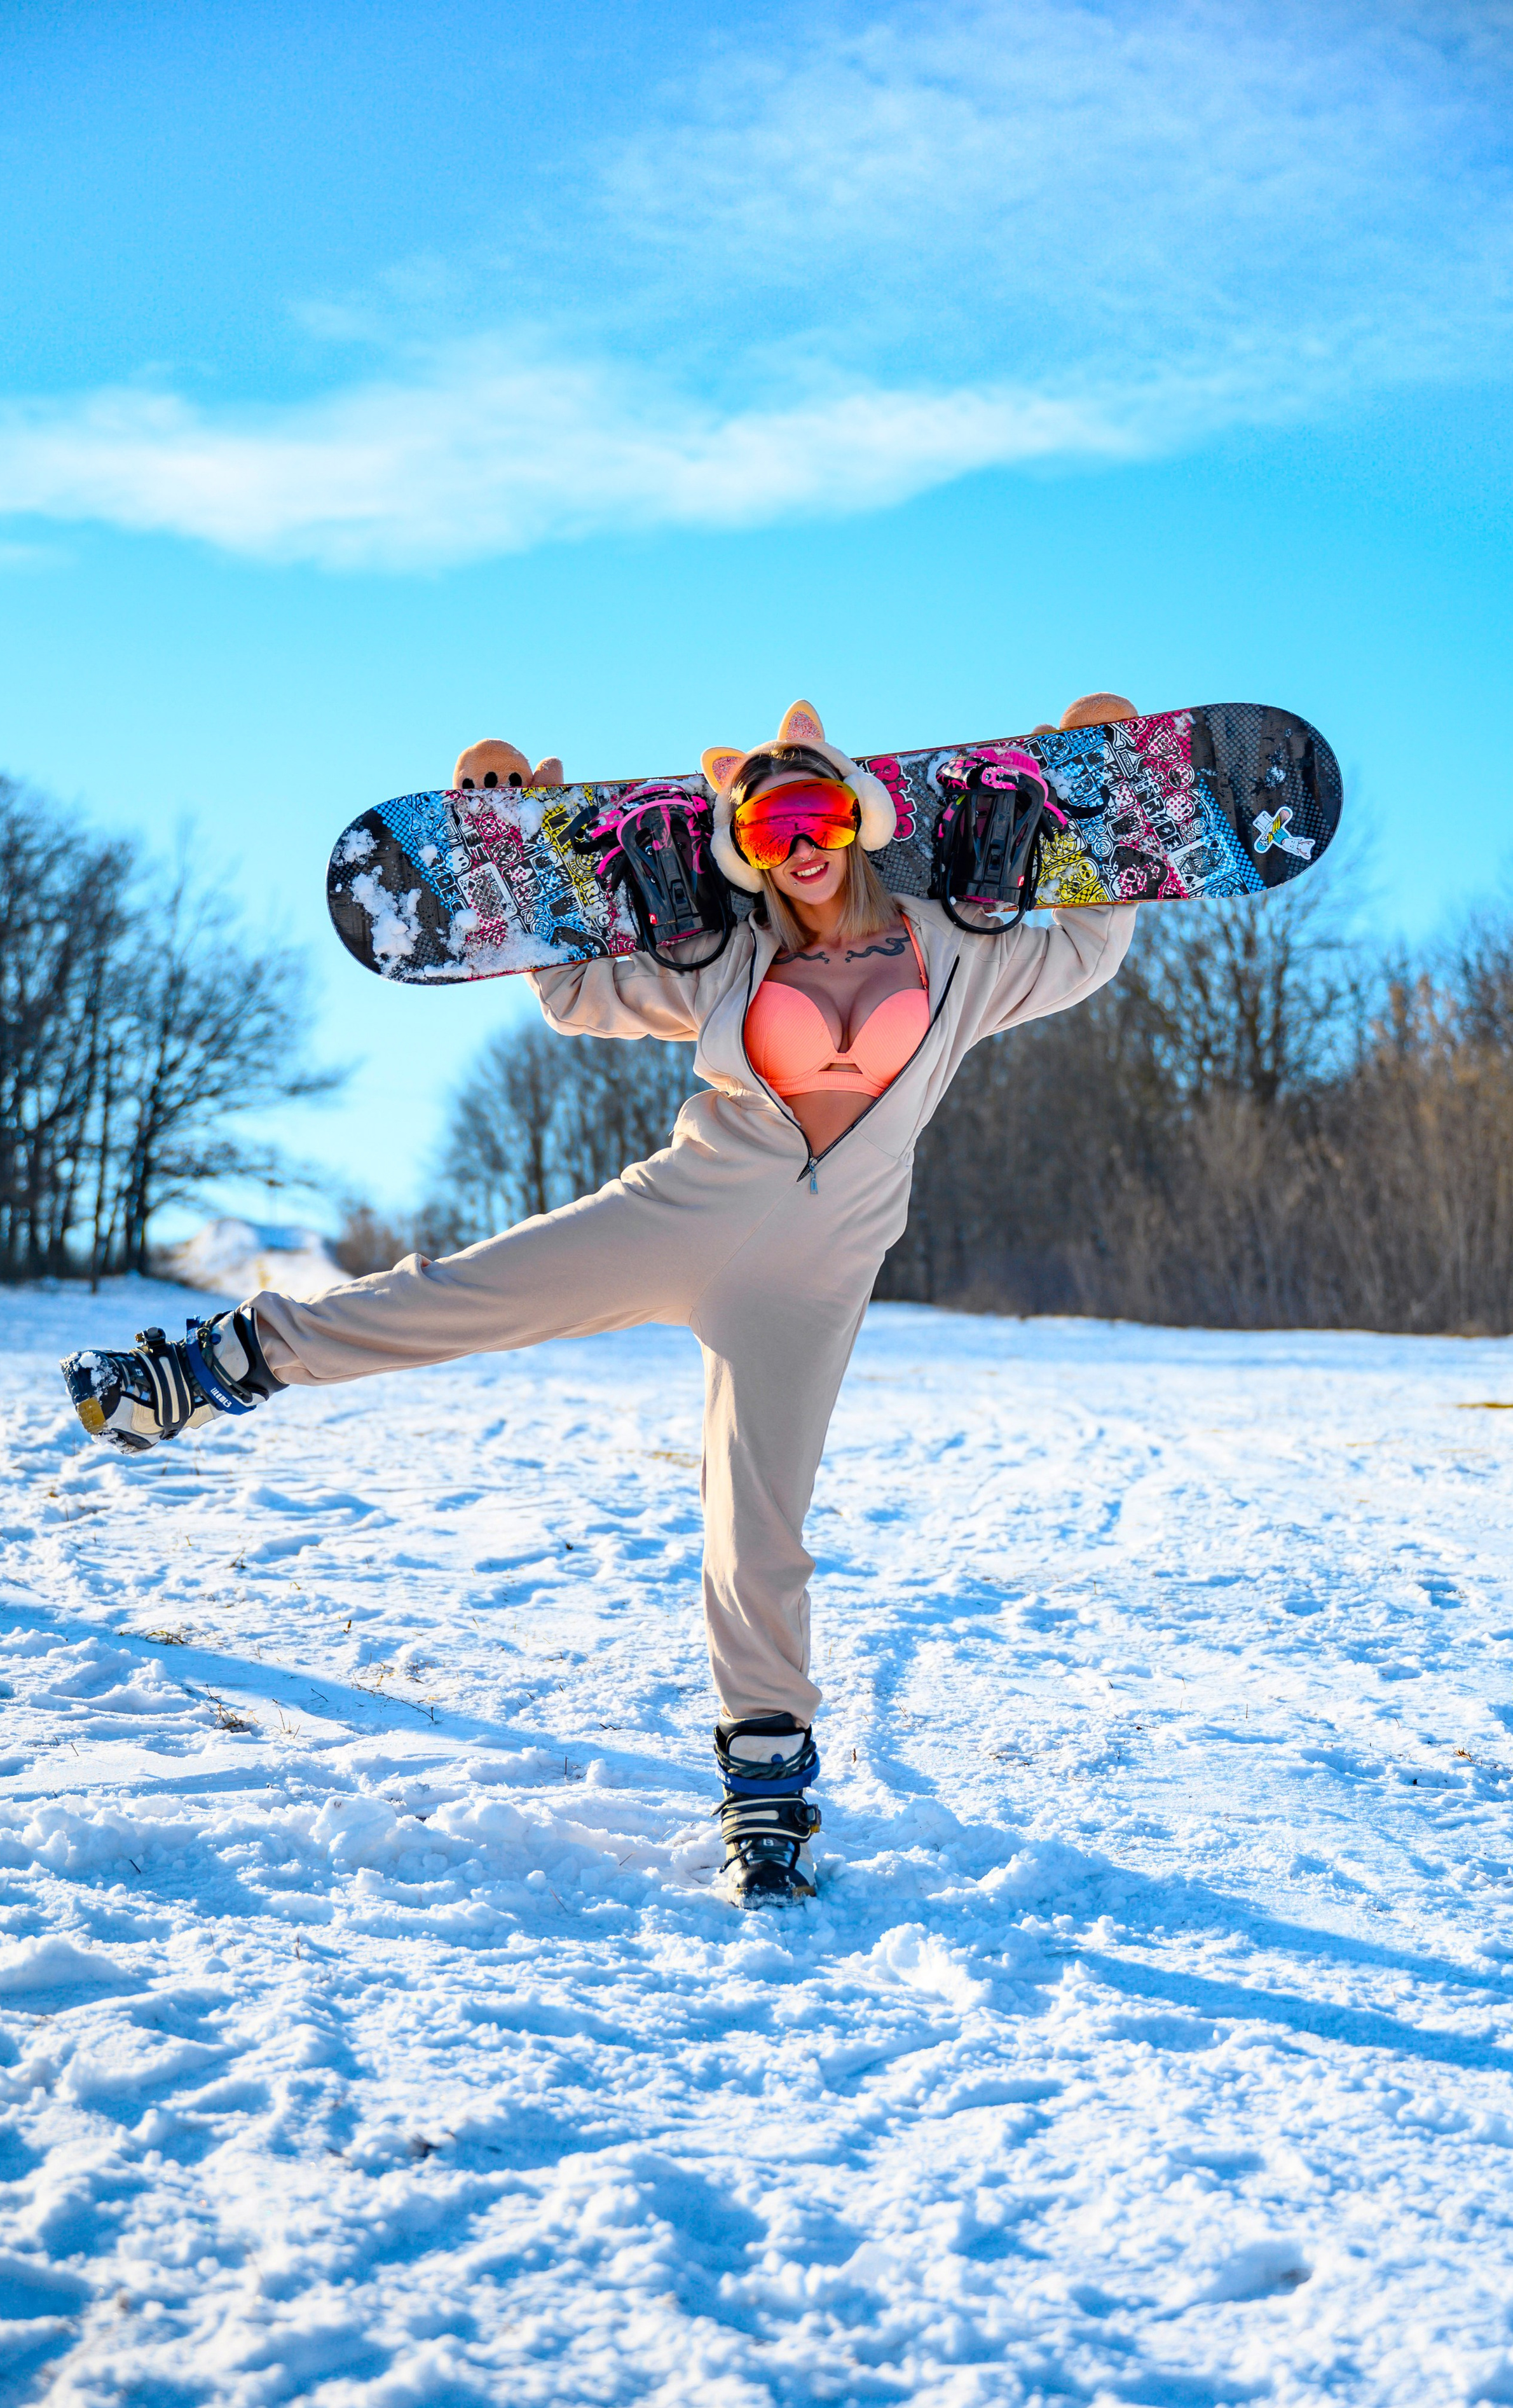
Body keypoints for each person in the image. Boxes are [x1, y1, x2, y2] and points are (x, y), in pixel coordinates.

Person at [62, 696, 1139, 1908]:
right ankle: (213, 1366)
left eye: (818, 810)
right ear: (743, 845)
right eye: (770, 821)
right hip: (686, 1213)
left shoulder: (961, 945)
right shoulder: (725, 954)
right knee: (458, 1298)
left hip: (816, 1281)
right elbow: (578, 995)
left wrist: (1098, 782)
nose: (800, 841)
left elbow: (1089, 949)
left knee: (760, 1535)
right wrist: (510, 838)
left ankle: (767, 1797)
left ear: (857, 814)